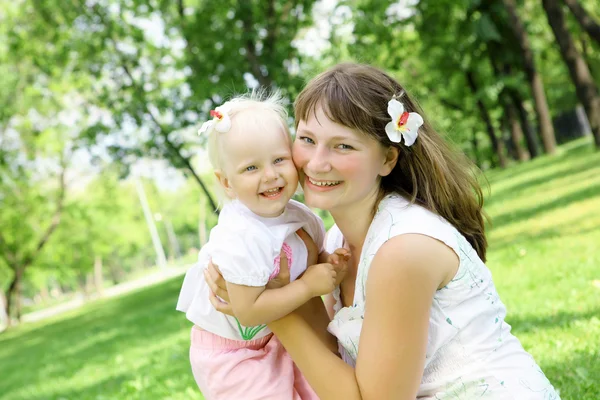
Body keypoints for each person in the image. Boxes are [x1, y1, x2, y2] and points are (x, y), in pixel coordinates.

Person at [204, 63, 561, 399]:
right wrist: (279, 293)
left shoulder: (402, 249)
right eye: (307, 139)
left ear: (388, 159)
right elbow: (331, 360)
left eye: (343, 145)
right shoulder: (335, 242)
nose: (316, 162)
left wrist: (269, 308)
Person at [176, 91, 348, 400]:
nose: (270, 175)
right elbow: (248, 311)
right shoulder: (239, 235)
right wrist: (309, 286)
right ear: (226, 182)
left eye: (279, 159)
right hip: (231, 353)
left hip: (276, 335)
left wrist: (330, 262)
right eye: (250, 168)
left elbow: (309, 260)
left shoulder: (300, 217)